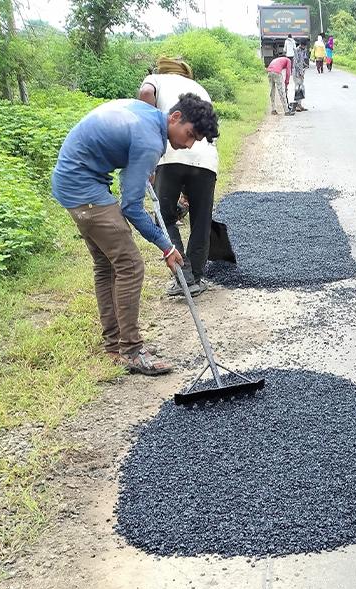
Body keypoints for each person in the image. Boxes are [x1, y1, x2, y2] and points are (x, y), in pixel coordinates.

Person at [52, 94, 218, 375]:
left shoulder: (149, 117)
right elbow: (131, 207)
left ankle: (115, 345)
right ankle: (131, 350)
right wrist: (166, 246)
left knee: (106, 266)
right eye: (189, 135)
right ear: (175, 118)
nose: (188, 144)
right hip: (83, 188)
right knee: (129, 265)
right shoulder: (149, 140)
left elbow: (124, 160)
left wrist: (142, 171)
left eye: (195, 141)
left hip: (72, 182)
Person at [138, 57, 219, 298]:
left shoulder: (155, 79)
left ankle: (184, 277)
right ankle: (194, 277)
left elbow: (144, 92)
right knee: (201, 219)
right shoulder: (200, 89)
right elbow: (211, 129)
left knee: (164, 217)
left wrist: (146, 125)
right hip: (205, 158)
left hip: (170, 152)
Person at [291, 42, 309, 112]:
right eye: (304, 46)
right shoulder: (296, 51)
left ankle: (299, 105)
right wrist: (301, 73)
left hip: (301, 72)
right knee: (298, 88)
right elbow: (296, 63)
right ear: (302, 45)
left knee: (301, 88)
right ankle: (297, 105)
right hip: (296, 73)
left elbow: (301, 61)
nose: (305, 48)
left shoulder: (303, 50)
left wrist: (305, 64)